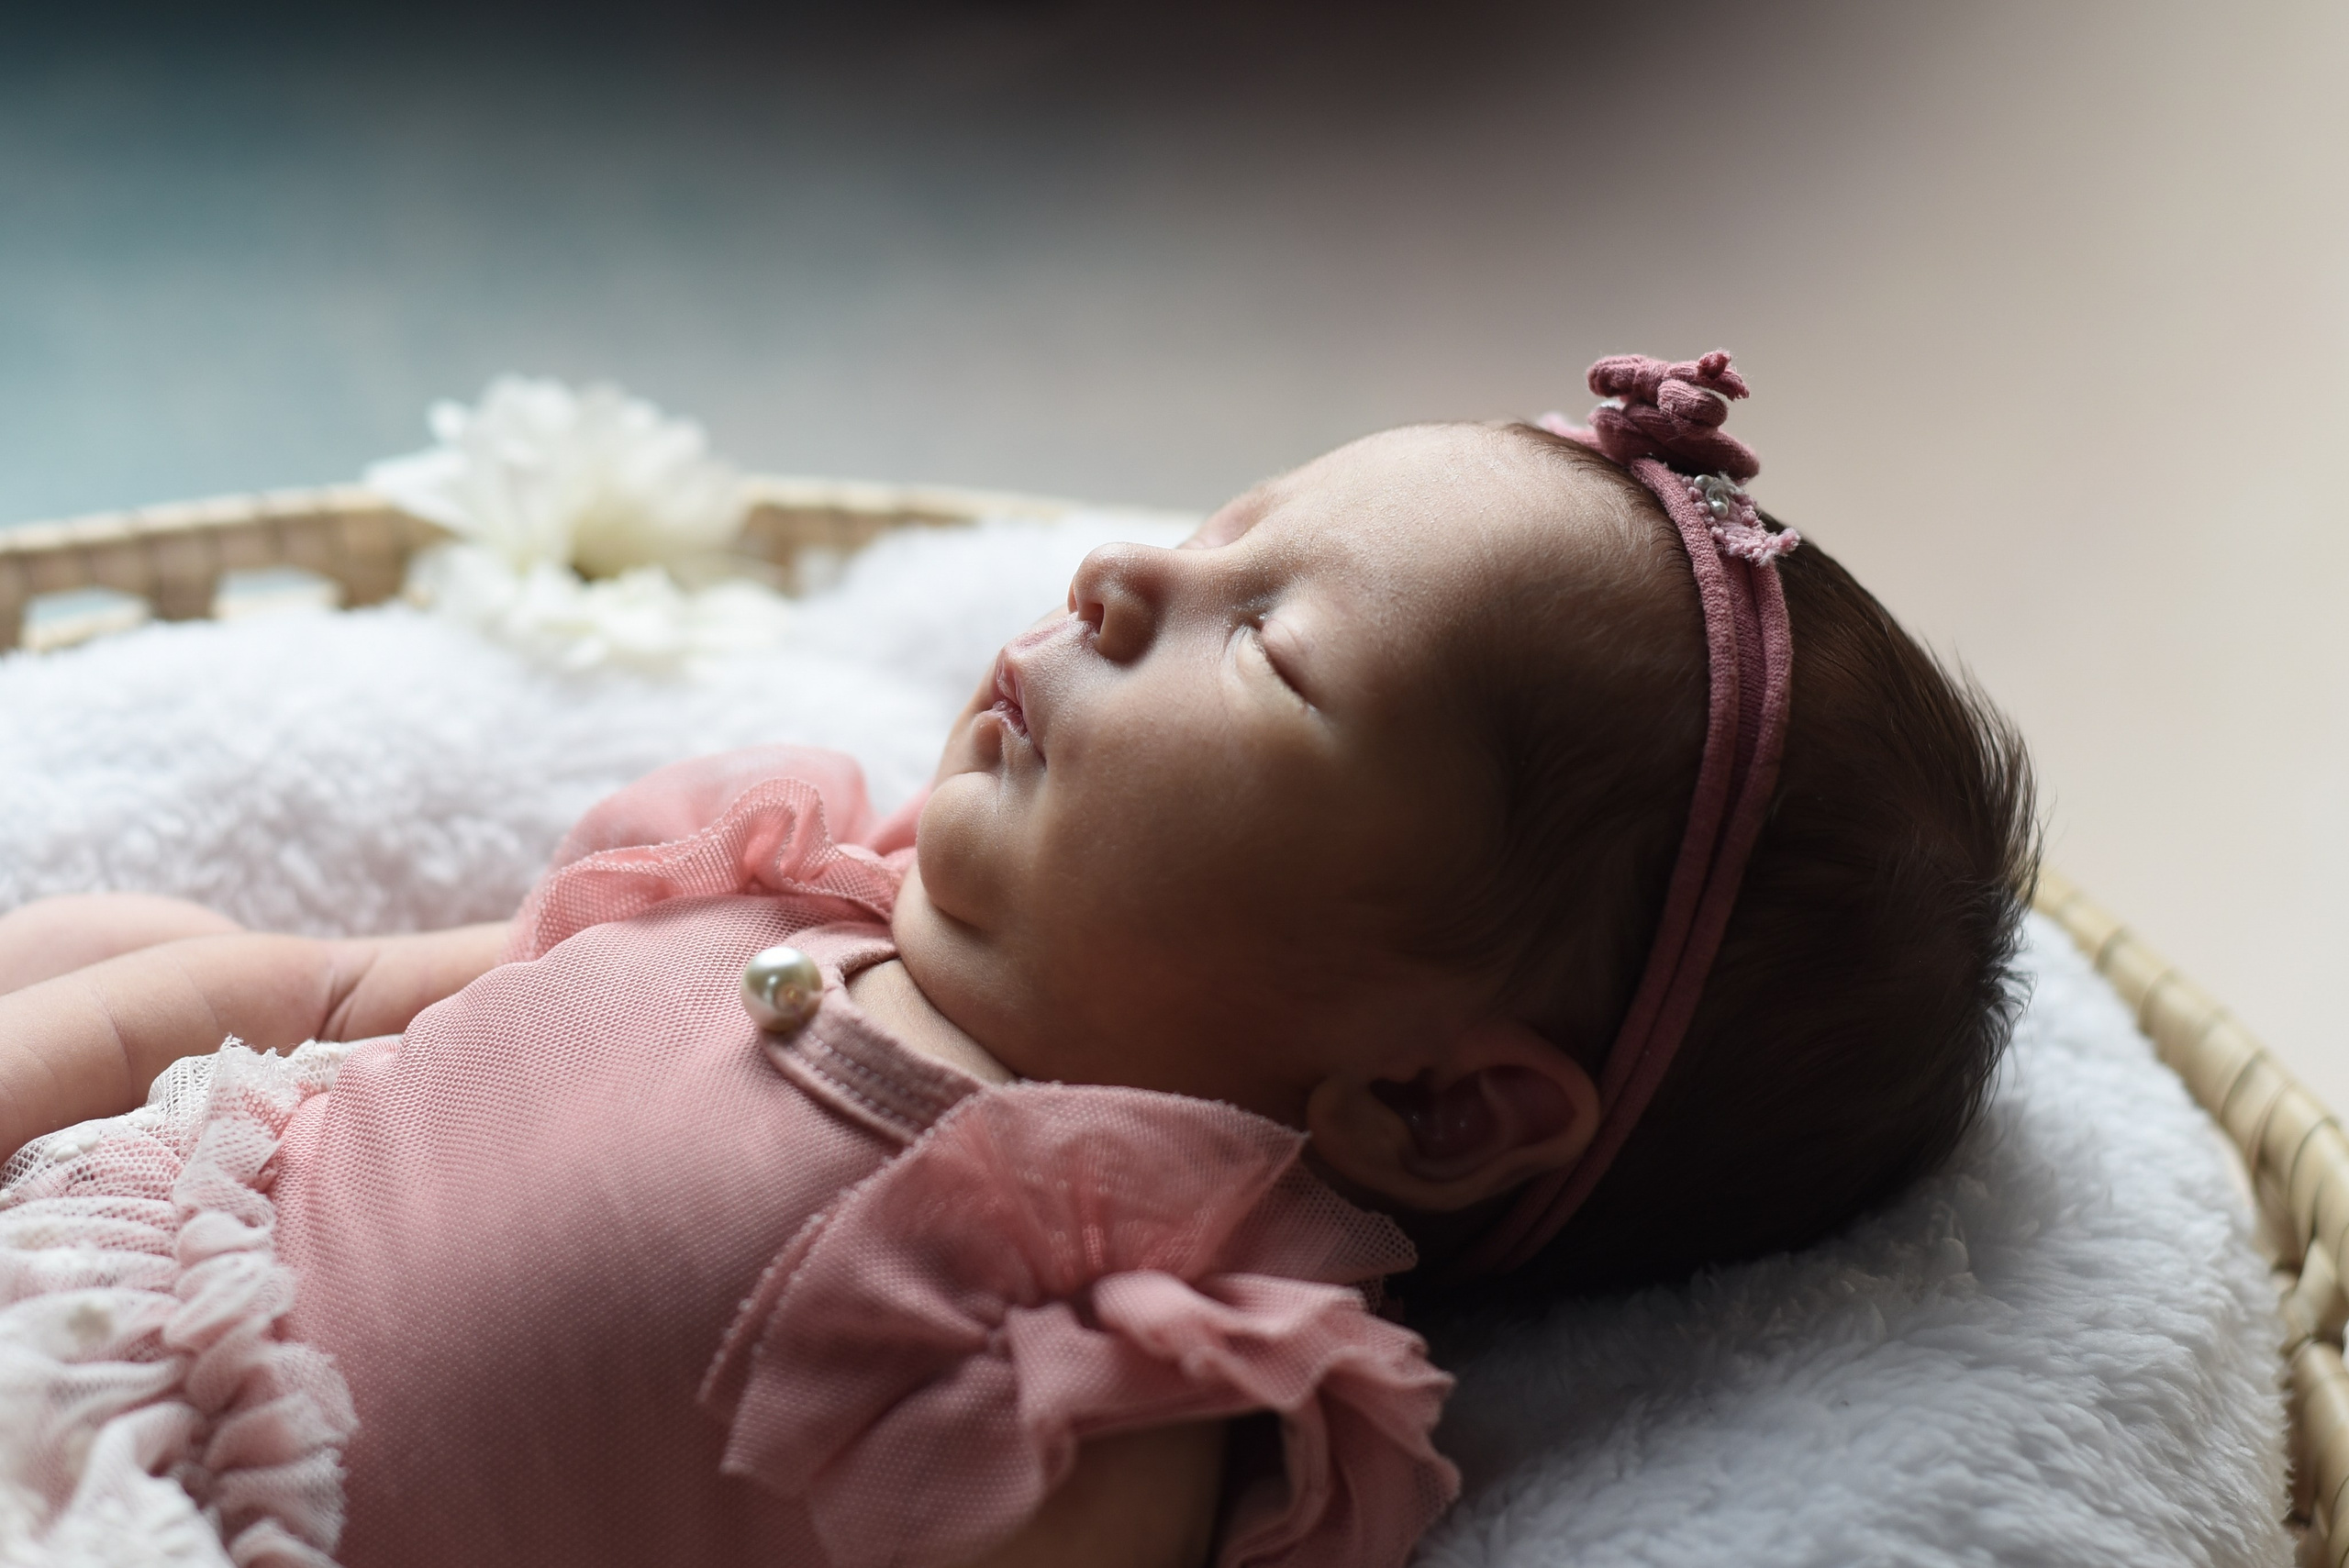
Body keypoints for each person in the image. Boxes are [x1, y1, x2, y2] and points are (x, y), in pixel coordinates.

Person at [0, 354, 2035, 1568]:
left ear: (1437, 1097)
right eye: (1219, 529)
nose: (1123, 573)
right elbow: (323, 1004)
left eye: (1271, 644)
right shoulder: (795, 891)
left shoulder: (1079, 1358)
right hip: (110, 1278)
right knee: (146, 945)